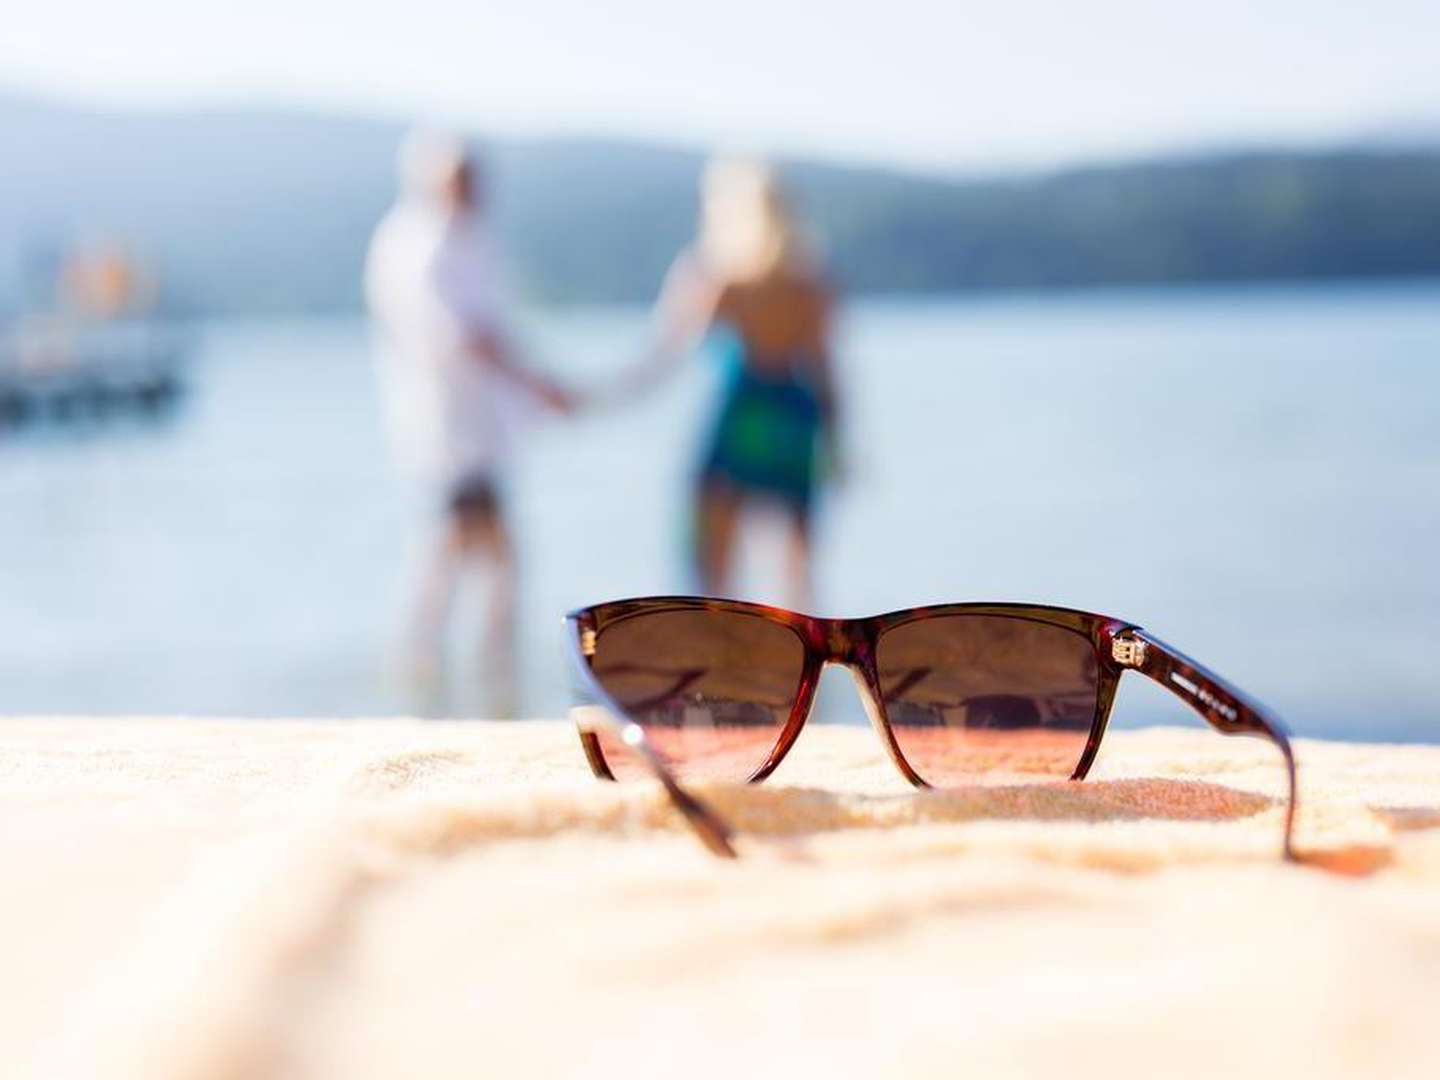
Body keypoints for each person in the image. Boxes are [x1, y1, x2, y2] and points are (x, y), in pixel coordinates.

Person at [365, 131, 569, 716]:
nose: (474, 189)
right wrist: (537, 386)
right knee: (456, 562)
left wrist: (531, 390)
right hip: (448, 436)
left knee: (480, 565)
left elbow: (486, 333)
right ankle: (435, 691)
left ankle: (467, 694)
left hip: (469, 436)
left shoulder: (455, 242)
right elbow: (465, 339)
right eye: (464, 178)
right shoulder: (421, 246)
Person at [625, 158, 839, 609]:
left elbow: (660, 358)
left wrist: (591, 400)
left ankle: (724, 669)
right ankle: (804, 675)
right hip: (796, 421)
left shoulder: (717, 276)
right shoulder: (812, 281)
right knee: (797, 582)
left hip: (742, 418)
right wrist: (838, 444)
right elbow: (826, 372)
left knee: (713, 580)